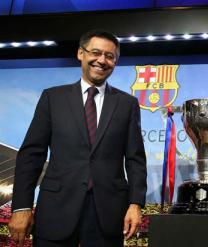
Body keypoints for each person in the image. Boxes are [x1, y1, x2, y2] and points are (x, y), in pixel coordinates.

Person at [8, 29, 147, 246]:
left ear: (116, 62)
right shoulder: (52, 98)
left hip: (108, 214)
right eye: (95, 52)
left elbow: (135, 159)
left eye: (110, 56)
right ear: (81, 54)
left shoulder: (127, 104)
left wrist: (136, 204)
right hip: (56, 210)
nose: (102, 60)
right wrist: (21, 206)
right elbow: (31, 156)